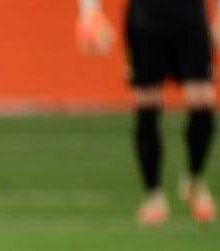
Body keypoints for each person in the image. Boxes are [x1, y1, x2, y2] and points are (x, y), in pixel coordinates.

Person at [77, 0, 220, 224]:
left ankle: (194, 179)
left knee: (202, 100)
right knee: (147, 102)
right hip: (145, 16)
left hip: (190, 14)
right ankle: (153, 194)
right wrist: (89, 11)